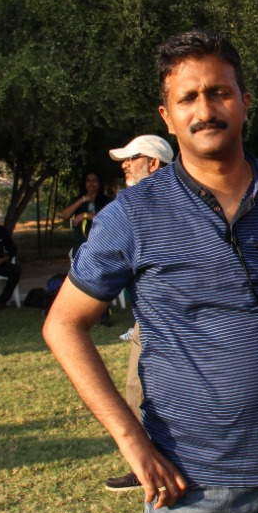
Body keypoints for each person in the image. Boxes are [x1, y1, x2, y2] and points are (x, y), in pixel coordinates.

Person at [43, 28, 258, 513]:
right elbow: (63, 324)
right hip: (188, 490)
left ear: (246, 100)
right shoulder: (134, 214)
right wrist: (131, 441)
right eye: (187, 98)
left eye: (218, 92)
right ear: (167, 117)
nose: (204, 109)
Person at [101, 133, 175, 493]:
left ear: (155, 163)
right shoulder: (132, 205)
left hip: (172, 319)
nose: (125, 165)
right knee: (135, 388)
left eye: (133, 158)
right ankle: (145, 463)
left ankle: (159, 464)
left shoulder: (176, 203)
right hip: (146, 318)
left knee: (153, 391)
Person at [58, 170, 111, 249]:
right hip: (81, 248)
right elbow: (64, 216)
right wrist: (82, 199)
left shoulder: (107, 201)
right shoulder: (78, 200)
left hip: (102, 247)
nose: (91, 183)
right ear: (84, 184)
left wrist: (85, 215)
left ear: (100, 184)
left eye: (95, 180)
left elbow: (109, 219)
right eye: (88, 181)